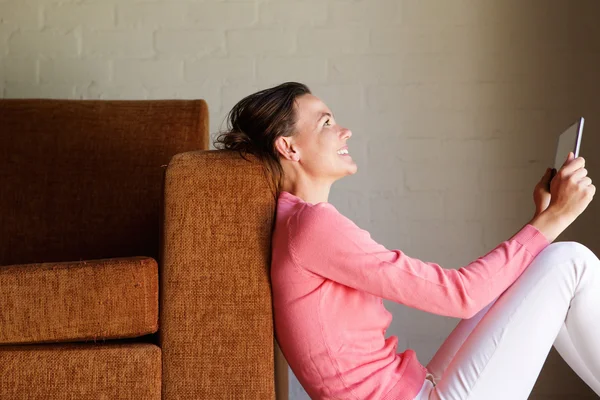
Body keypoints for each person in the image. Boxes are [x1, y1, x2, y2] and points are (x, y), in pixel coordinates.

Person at [213, 81, 599, 400]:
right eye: (327, 122)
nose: (344, 131)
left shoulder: (299, 224)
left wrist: (541, 219)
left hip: (419, 386)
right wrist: (555, 219)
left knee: (544, 266)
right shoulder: (311, 228)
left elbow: (468, 296)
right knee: (569, 261)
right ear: (289, 147)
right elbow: (459, 295)